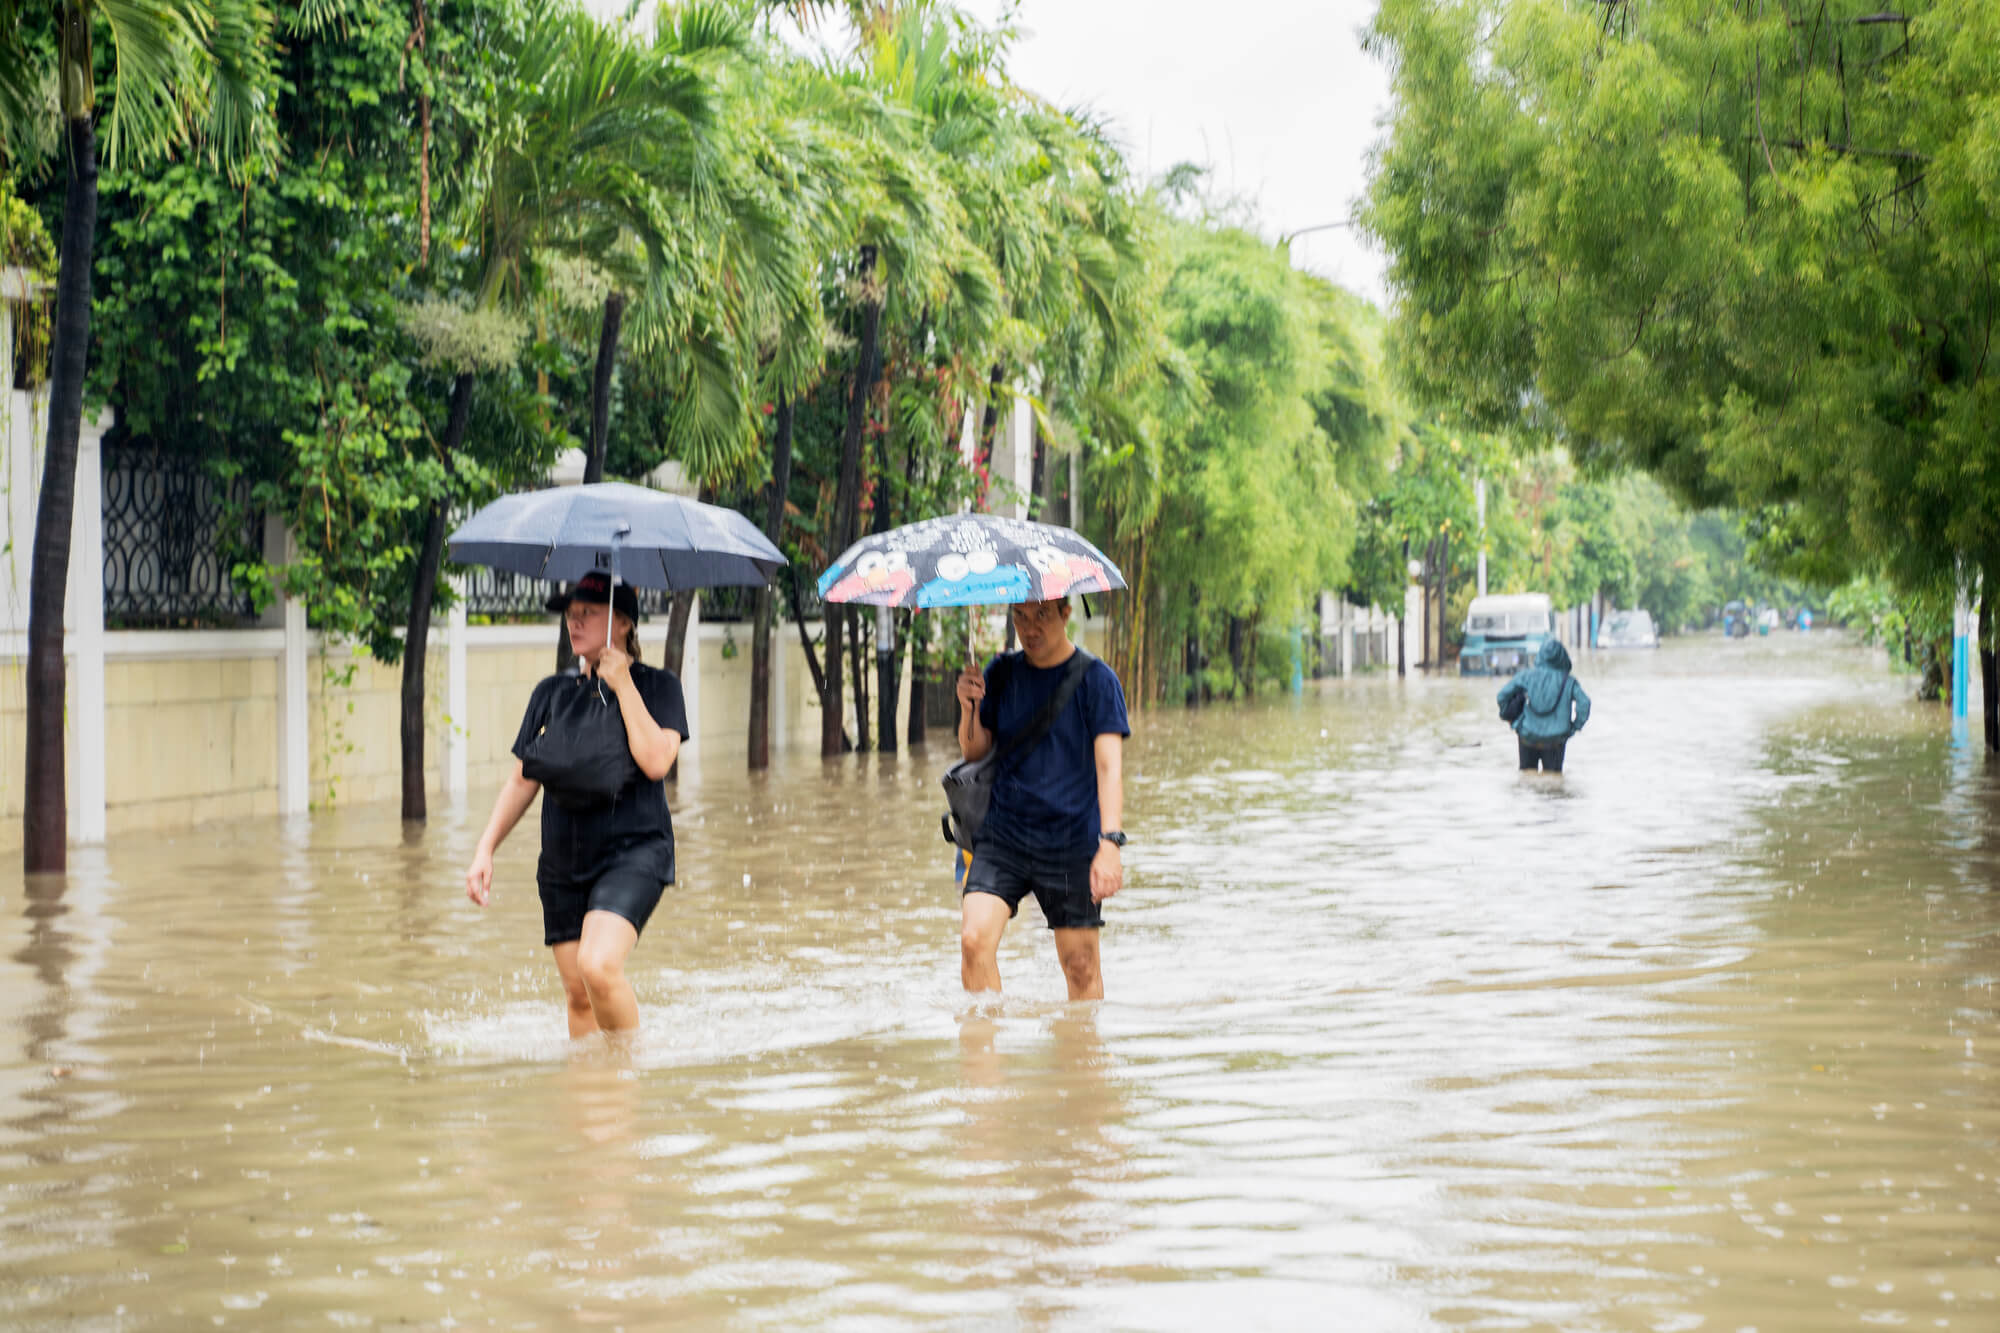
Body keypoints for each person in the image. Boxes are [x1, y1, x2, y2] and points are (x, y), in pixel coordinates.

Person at [464, 571, 689, 1036]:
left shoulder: (657, 687)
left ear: (623, 622)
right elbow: (523, 779)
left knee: (599, 967)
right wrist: (485, 848)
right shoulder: (552, 693)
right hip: (564, 860)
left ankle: (626, 1081)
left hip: (634, 852)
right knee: (578, 996)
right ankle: (592, 1097)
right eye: (570, 615)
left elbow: (656, 762)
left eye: (587, 613)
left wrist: (623, 684)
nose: (574, 623)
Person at [954, 596, 1131, 1000]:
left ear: (1065, 614)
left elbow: (1110, 769)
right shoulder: (1001, 673)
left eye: (1041, 616)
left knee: (1081, 968)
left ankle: (1080, 1058)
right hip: (1004, 837)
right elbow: (975, 751)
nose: (1029, 628)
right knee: (972, 940)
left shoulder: (1097, 680)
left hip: (1071, 842)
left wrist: (1111, 843)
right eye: (1020, 616)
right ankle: (984, 1057)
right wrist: (969, 708)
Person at [1498, 638, 1590, 772]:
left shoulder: (1526, 676)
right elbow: (1584, 704)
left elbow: (1502, 696)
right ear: (1563, 657)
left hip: (1527, 736)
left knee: (1527, 781)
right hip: (1556, 741)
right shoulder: (1569, 681)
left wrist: (1513, 721)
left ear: (1540, 656)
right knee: (1553, 785)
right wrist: (1574, 727)